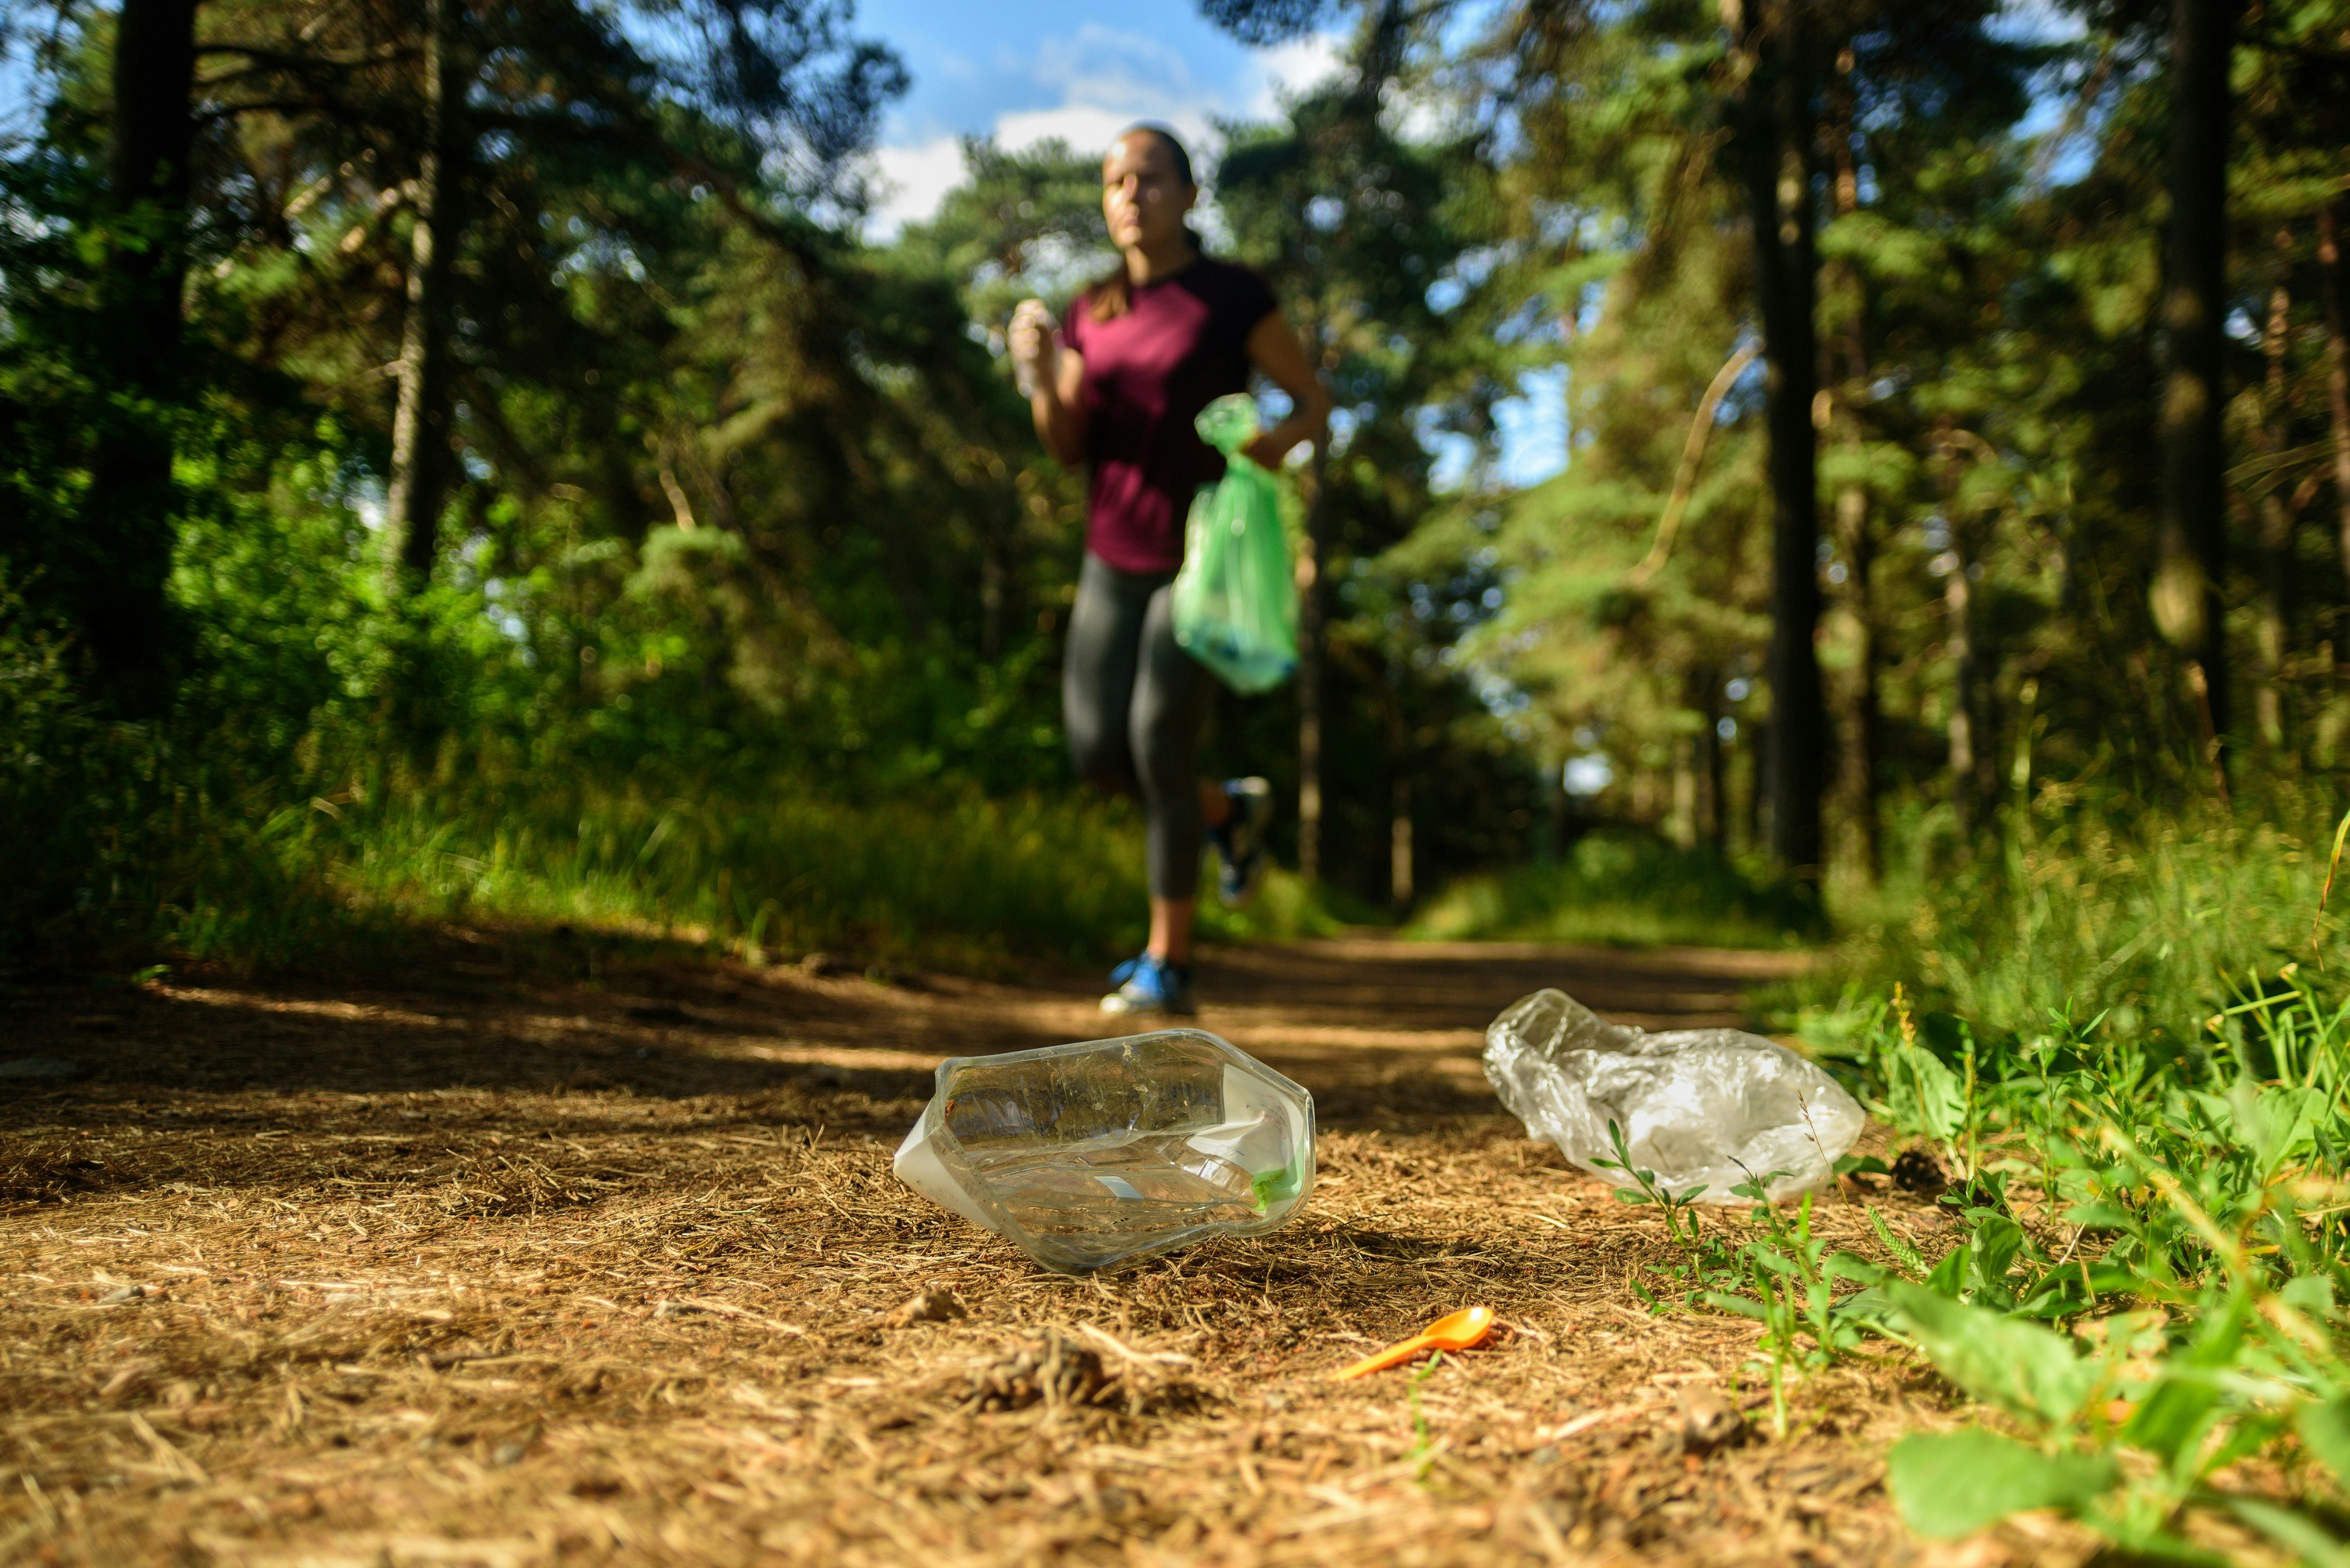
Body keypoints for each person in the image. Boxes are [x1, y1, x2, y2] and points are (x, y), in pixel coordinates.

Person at [1010, 123, 1332, 1018]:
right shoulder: (1091, 309)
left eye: (1149, 180)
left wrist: (1254, 458)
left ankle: (1168, 965)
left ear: (1189, 196)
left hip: (1200, 554)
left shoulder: (1228, 297)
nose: (1129, 196)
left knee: (1158, 741)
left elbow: (1311, 403)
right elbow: (1069, 447)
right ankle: (1226, 815)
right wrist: (1040, 378)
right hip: (1112, 553)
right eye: (1115, 182)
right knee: (1096, 753)